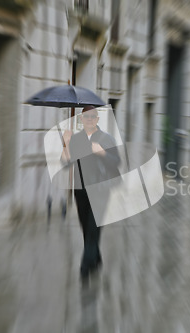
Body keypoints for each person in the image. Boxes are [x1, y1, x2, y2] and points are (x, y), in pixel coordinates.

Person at [61, 105, 121, 278]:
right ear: (81, 119)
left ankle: (85, 267)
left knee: (93, 227)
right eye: (86, 117)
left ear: (97, 119)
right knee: (86, 228)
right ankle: (96, 258)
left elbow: (116, 162)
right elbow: (65, 165)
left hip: (101, 190)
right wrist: (65, 143)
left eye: (92, 116)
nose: (89, 119)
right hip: (80, 191)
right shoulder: (76, 139)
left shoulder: (106, 139)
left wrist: (102, 153)